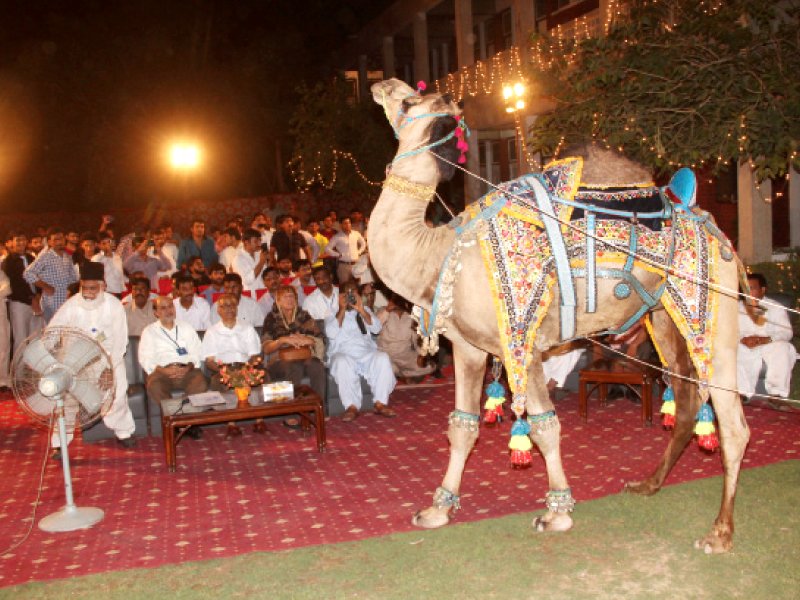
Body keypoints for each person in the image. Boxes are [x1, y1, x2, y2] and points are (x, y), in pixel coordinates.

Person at [48, 262, 136, 455]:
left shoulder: (114, 305)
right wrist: (48, 356)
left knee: (118, 393)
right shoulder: (71, 305)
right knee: (66, 402)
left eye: (92, 288)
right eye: (84, 287)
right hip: (74, 362)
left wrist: (109, 369)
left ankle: (124, 432)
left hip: (107, 360)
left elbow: (120, 341)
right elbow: (52, 330)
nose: (87, 292)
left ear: (102, 286)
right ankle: (60, 443)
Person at [326, 280, 396, 421]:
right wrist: (342, 310)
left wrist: (362, 310)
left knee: (382, 357)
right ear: (341, 295)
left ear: (358, 294)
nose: (350, 296)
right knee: (341, 361)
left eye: (354, 292)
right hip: (343, 352)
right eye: (347, 293)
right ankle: (351, 406)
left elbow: (376, 328)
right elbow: (330, 333)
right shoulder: (332, 312)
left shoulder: (365, 310)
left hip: (366, 353)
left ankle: (380, 403)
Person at [138, 295, 207, 438]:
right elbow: (145, 358)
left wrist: (188, 367)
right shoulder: (149, 331)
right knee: (154, 386)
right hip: (162, 371)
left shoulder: (186, 327)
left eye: (170, 306)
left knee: (200, 383)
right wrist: (163, 370)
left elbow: (197, 350)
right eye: (163, 308)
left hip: (187, 369)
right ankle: (180, 422)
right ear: (156, 313)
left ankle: (184, 421)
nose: (168, 310)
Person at [201, 293, 263, 436]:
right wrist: (225, 371)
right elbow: (209, 361)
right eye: (224, 306)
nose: (229, 309)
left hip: (245, 366)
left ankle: (259, 420)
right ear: (218, 310)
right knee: (224, 384)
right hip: (222, 369)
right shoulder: (212, 332)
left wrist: (248, 368)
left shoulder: (247, 328)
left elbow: (254, 354)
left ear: (237, 308)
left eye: (232, 305)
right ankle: (231, 423)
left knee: (255, 381)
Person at [738, 273, 797, 404]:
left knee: (783, 347)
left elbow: (786, 332)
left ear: (762, 290)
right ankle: (742, 393)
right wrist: (742, 339)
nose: (748, 292)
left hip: (769, 343)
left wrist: (764, 340)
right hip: (745, 344)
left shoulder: (776, 307)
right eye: (745, 288)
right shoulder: (736, 307)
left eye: (752, 288)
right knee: (734, 350)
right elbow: (729, 331)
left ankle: (777, 394)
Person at [261, 285, 326, 401]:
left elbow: (319, 338)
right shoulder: (271, 318)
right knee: (293, 367)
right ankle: (293, 412)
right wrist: (283, 340)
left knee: (317, 366)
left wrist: (307, 339)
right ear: (278, 301)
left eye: (292, 296)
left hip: (304, 355)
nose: (289, 299)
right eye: (285, 297)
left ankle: (320, 409)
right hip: (279, 359)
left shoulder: (304, 315)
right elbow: (266, 348)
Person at [23, 228, 78, 322]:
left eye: (61, 239)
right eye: (56, 240)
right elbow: (27, 273)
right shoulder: (46, 256)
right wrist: (45, 286)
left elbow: (73, 278)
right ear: (49, 242)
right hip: (51, 302)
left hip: (66, 301)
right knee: (52, 333)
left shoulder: (67, 256)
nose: (60, 242)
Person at [376, 294, 435, 381]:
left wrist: (422, 355)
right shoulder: (383, 310)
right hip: (385, 354)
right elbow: (374, 327)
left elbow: (416, 339)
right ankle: (402, 373)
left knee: (429, 366)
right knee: (387, 367)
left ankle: (400, 374)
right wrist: (387, 310)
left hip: (404, 355)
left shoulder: (411, 316)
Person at [3, 232, 40, 354]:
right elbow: (14, 285)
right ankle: (19, 371)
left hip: (36, 302)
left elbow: (39, 278)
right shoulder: (8, 262)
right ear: (11, 243)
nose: (21, 243)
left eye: (23, 239)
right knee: (21, 338)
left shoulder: (31, 259)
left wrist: (38, 297)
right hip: (19, 303)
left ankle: (33, 369)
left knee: (36, 337)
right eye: (17, 240)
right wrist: (31, 298)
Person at [326, 217, 367, 284]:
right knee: (345, 286)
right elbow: (327, 249)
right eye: (345, 223)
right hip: (343, 266)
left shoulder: (356, 233)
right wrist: (338, 255)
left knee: (359, 285)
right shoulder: (337, 236)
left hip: (356, 264)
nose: (347, 225)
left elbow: (364, 244)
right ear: (341, 225)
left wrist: (359, 252)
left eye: (349, 223)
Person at [232, 228, 268, 292]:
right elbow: (248, 280)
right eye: (256, 241)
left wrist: (269, 262)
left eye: (260, 240)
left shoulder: (259, 254)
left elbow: (266, 274)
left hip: (263, 292)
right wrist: (261, 262)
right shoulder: (238, 258)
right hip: (250, 294)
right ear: (246, 242)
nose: (259, 244)